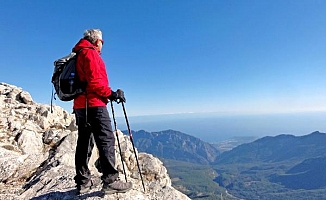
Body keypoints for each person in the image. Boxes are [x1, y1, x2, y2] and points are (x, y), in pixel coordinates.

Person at [72, 29, 132, 195]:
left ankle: (83, 181)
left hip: (80, 106)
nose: (102, 45)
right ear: (97, 41)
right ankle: (111, 180)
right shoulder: (91, 54)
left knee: (85, 141)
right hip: (94, 104)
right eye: (102, 42)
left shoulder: (78, 54)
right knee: (106, 139)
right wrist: (112, 94)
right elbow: (95, 84)